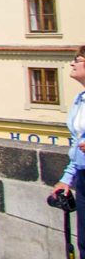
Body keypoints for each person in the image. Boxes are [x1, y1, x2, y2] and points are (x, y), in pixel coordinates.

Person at [52, 46, 85, 259]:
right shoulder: (79, 99)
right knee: (83, 242)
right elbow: (77, 144)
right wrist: (66, 180)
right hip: (83, 176)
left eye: (78, 59)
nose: (72, 64)